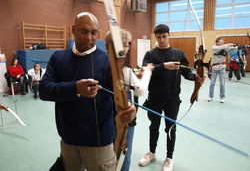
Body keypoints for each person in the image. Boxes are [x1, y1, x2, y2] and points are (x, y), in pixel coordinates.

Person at [39, 12, 136, 171]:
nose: (89, 37)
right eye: (83, 31)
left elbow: (122, 96)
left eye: (93, 32)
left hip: (99, 143)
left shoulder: (108, 61)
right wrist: (75, 88)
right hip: (68, 140)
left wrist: (128, 108)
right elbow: (44, 90)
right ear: (73, 29)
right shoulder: (58, 58)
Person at [138, 24, 204, 171]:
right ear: (156, 37)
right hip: (154, 98)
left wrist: (195, 78)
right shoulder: (150, 54)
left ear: (169, 35)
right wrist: (164, 66)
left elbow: (186, 72)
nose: (162, 40)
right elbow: (145, 71)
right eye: (159, 37)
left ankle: (169, 158)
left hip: (172, 99)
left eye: (164, 36)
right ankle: (152, 153)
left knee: (170, 129)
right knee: (153, 127)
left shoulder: (178, 54)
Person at [105, 29, 153, 171]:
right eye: (126, 44)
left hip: (106, 118)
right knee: (123, 154)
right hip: (123, 120)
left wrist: (134, 75)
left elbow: (124, 83)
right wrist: (148, 72)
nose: (128, 47)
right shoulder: (124, 69)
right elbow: (140, 90)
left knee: (108, 154)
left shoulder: (102, 63)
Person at [208, 37, 236, 103]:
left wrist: (238, 46)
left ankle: (222, 97)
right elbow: (221, 47)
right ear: (217, 43)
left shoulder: (225, 48)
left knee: (222, 84)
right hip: (214, 68)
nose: (222, 43)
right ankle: (210, 96)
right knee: (212, 83)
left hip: (222, 68)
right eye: (220, 42)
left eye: (222, 42)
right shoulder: (214, 47)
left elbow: (234, 49)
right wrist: (228, 44)